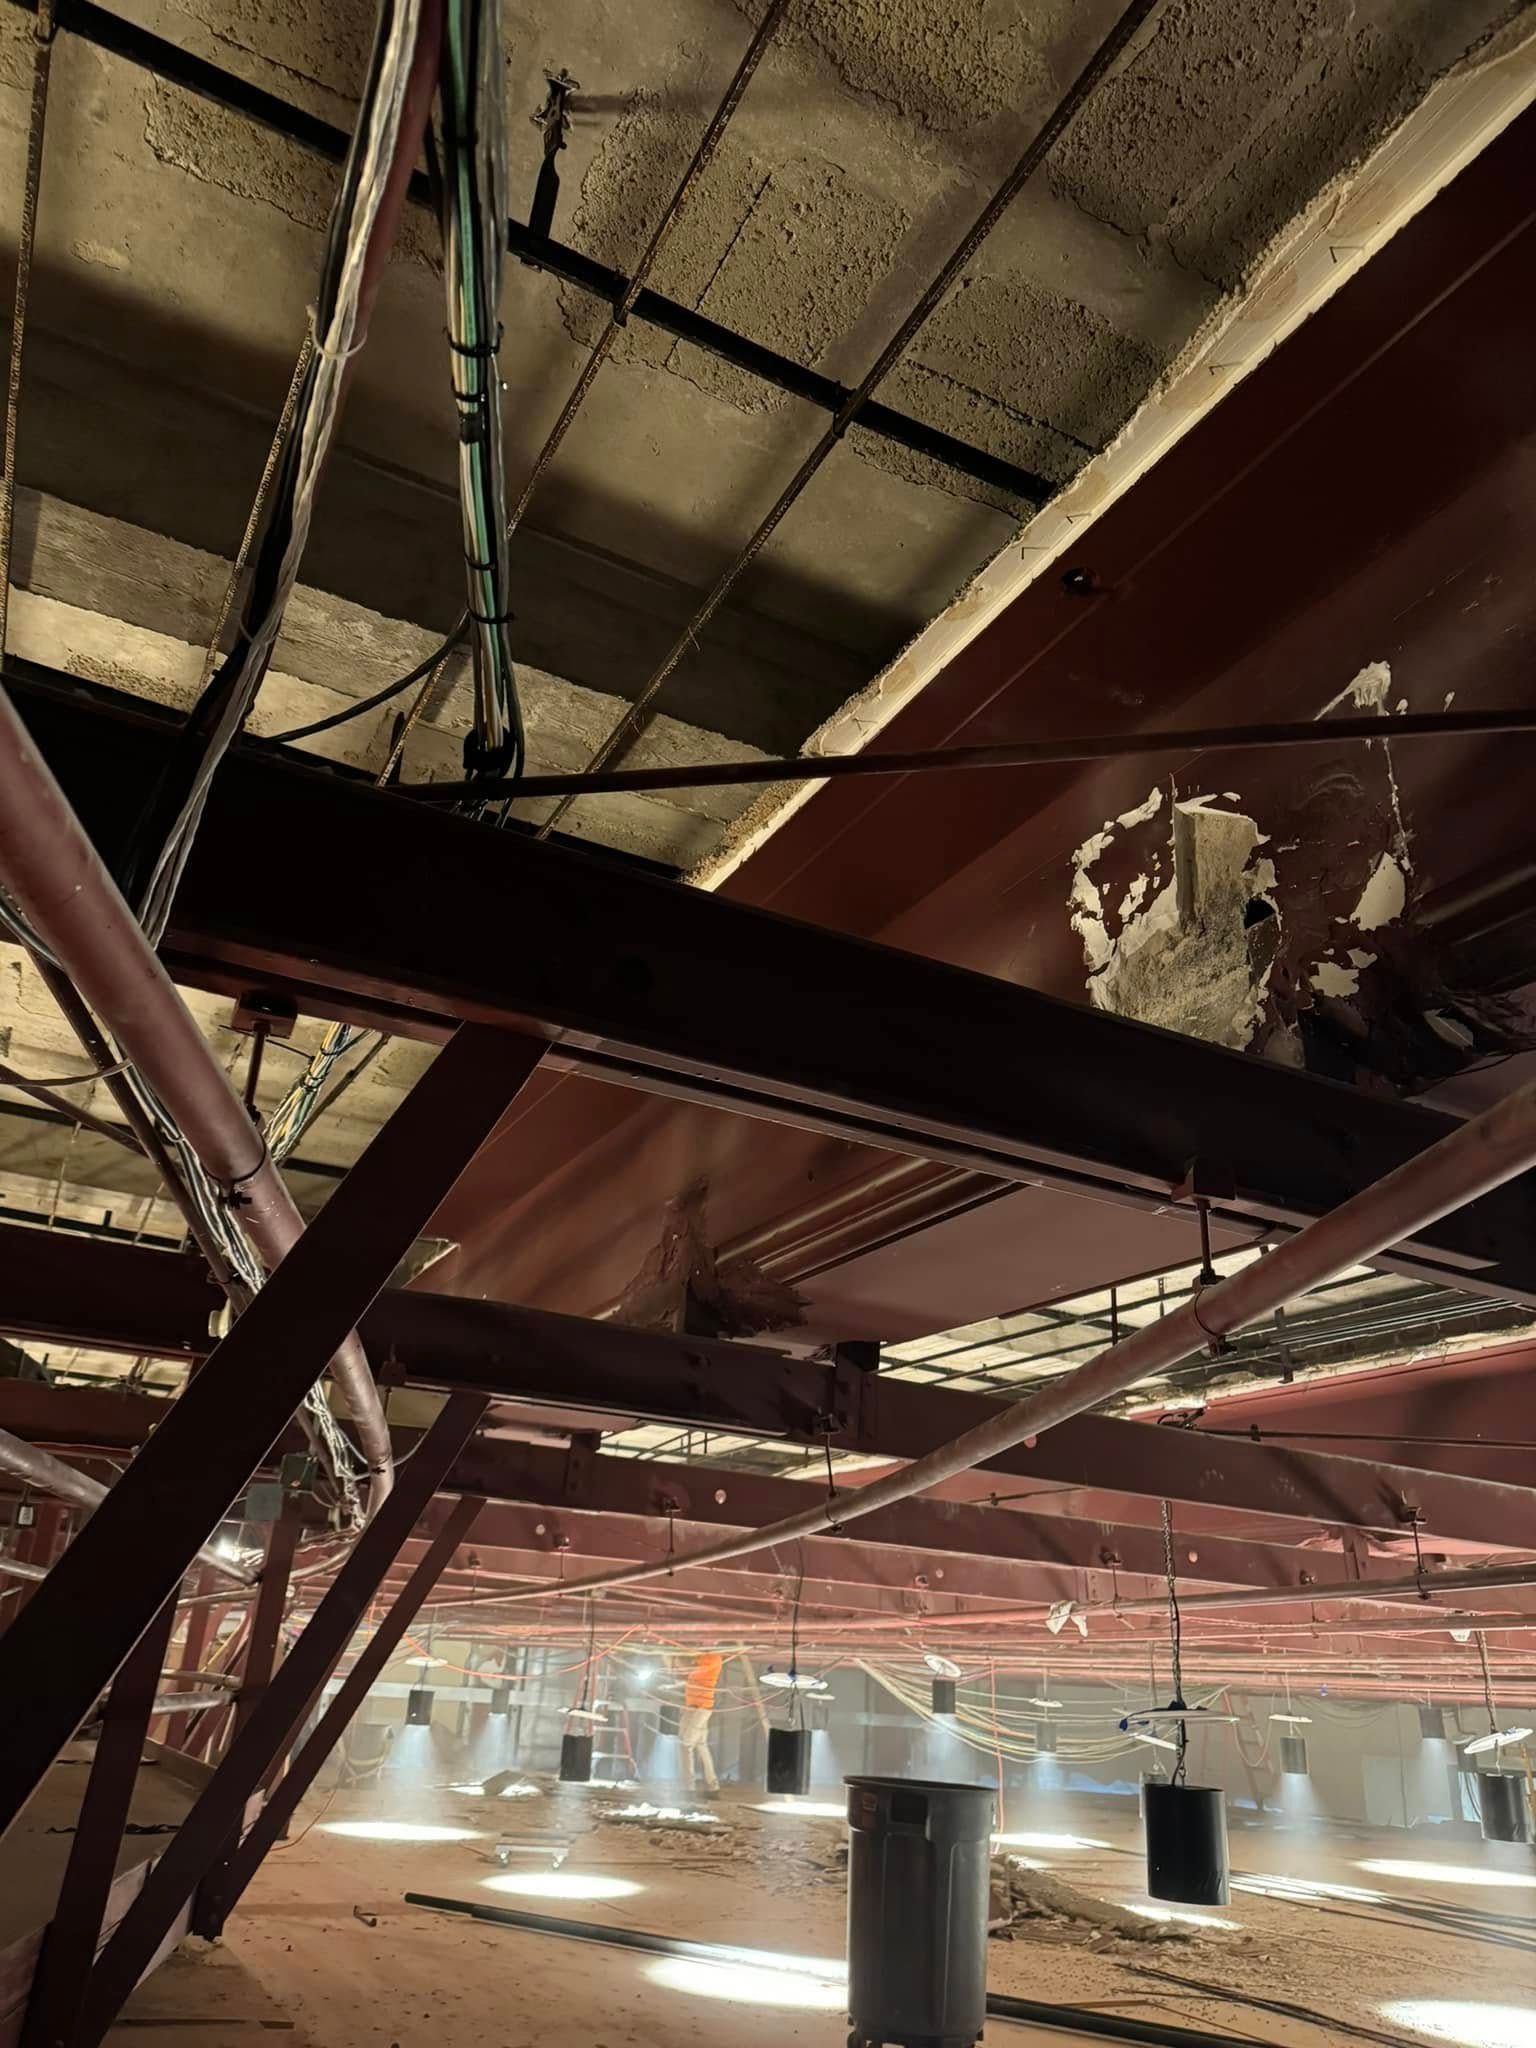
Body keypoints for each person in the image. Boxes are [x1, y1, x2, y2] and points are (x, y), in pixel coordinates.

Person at [678, 1650, 724, 1796]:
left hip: (702, 1708)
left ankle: (689, 1788)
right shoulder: (698, 1656)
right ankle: (713, 1787)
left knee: (686, 1744)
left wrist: (676, 1657)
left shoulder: (715, 1658)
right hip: (691, 1706)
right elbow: (685, 1672)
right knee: (700, 1745)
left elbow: (690, 1670)